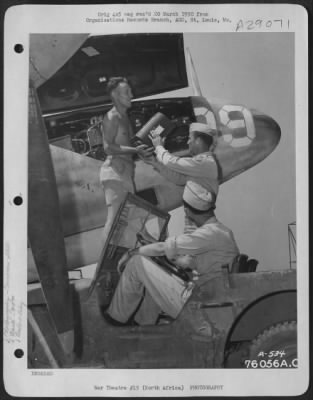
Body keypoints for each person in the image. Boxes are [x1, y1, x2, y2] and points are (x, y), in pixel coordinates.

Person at [103, 182, 239, 326]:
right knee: (155, 278)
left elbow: (163, 247)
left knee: (137, 263)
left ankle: (114, 321)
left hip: (199, 302)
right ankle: (142, 327)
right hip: (208, 297)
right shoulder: (221, 232)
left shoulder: (210, 233)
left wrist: (131, 253)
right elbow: (186, 262)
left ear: (186, 210)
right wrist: (152, 244)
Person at [99, 77, 153, 243]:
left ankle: (153, 245)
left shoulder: (125, 117)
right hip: (115, 174)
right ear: (115, 95)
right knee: (115, 219)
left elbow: (128, 146)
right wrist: (136, 150)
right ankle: (107, 259)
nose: (132, 95)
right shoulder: (112, 117)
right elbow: (108, 147)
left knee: (136, 219)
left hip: (125, 175)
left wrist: (143, 150)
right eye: (127, 92)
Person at [144, 122, 219, 234]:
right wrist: (155, 163)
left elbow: (171, 162)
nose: (188, 142)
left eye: (190, 138)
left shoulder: (205, 163)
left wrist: (158, 146)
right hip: (193, 219)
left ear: (198, 141)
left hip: (201, 220)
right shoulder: (199, 164)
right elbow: (179, 179)